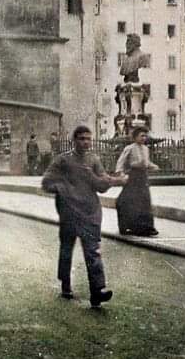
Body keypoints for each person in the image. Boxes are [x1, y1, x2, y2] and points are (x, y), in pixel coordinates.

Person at [42, 125, 124, 309]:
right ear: (74, 140)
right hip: (69, 213)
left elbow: (102, 186)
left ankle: (97, 291)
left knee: (92, 252)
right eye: (81, 139)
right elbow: (47, 182)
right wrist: (64, 189)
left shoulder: (94, 160)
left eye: (88, 138)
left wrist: (96, 178)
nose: (85, 142)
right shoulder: (63, 160)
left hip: (90, 213)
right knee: (66, 250)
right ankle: (65, 284)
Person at [114, 126, 160, 237]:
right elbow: (121, 161)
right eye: (141, 136)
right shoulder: (129, 148)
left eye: (145, 135)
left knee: (144, 202)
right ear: (135, 137)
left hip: (142, 177)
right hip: (133, 176)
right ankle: (127, 226)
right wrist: (121, 173)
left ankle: (146, 228)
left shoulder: (146, 149)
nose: (144, 138)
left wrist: (153, 166)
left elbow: (146, 162)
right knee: (126, 201)